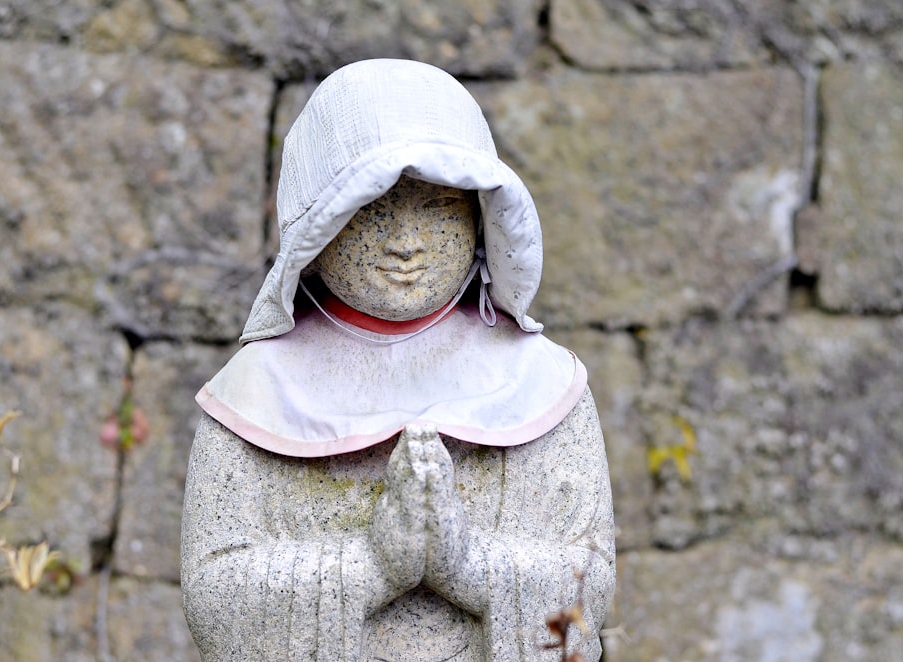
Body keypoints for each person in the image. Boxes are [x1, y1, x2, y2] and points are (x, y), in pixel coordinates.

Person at [181, 58, 615, 662]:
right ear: (318, 222)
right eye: (370, 209)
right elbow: (214, 597)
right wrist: (371, 565)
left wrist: (467, 562)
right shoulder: (255, 394)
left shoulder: (541, 382)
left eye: (438, 209)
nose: (405, 243)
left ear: (481, 216)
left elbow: (587, 580)